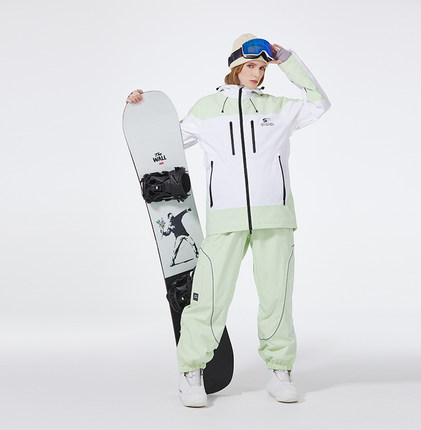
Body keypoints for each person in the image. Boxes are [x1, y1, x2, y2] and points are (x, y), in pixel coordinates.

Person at [127, 33, 331, 407]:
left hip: (275, 217)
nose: (258, 73)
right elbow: (165, 141)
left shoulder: (278, 107)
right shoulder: (207, 109)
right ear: (236, 66)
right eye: (251, 65)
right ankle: (191, 371)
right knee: (209, 296)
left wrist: (289, 61)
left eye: (263, 67)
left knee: (277, 299)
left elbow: (319, 102)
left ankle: (280, 370)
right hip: (225, 218)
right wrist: (142, 110)